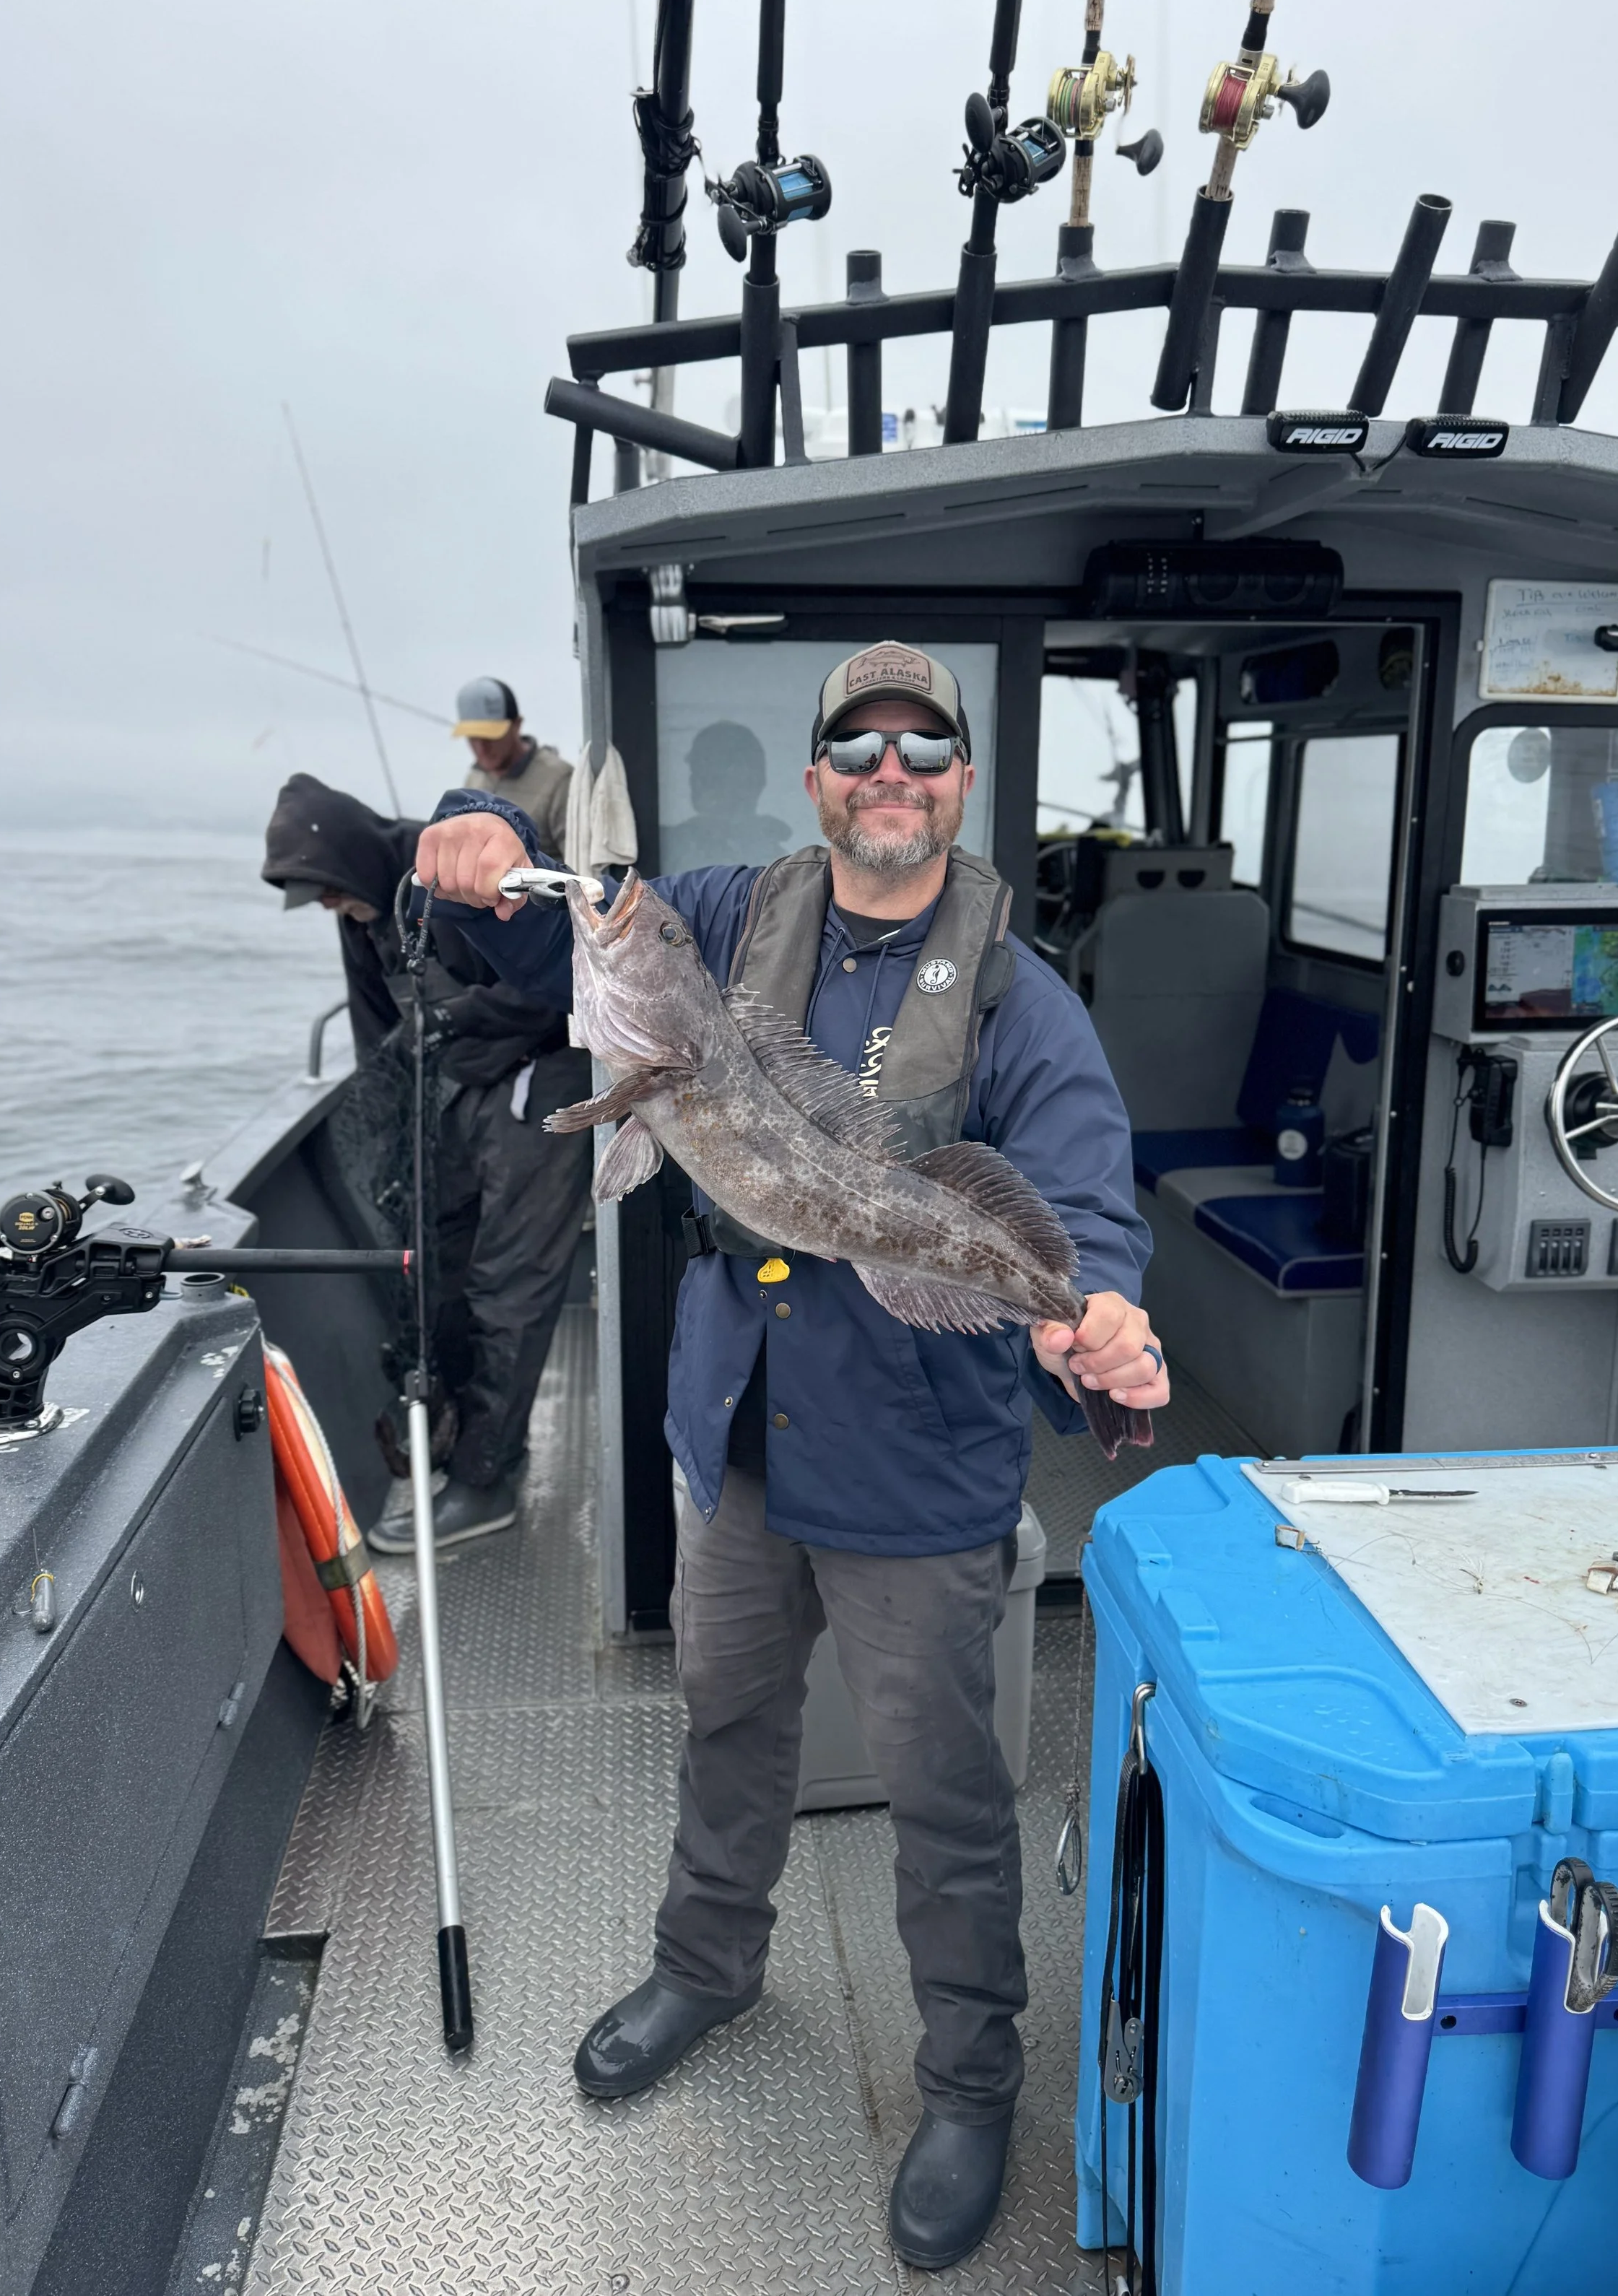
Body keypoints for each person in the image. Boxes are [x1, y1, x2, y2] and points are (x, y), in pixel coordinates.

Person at [413, 644, 1167, 2271]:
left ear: (960, 782)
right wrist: (477, 836)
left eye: (923, 748)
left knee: (947, 1794)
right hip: (737, 1437)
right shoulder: (709, 917)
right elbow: (559, 903)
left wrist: (1094, 1314)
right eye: (855, 743)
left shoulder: (1022, 1004)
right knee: (726, 1718)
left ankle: (969, 2080)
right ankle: (708, 1961)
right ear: (817, 775)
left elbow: (1085, 1206)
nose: (888, 770)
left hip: (915, 1465)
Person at [261, 772, 594, 1550]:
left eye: (327, 892)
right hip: (455, 1087)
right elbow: (379, 1027)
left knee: (509, 1281)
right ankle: (459, 1440)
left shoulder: (454, 869)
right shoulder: (359, 912)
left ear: (348, 863)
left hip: (538, 1077)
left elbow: (553, 980)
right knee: (437, 1266)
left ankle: (486, 1480)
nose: (329, 909)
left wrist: (454, 1016)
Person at [453, 677, 573, 856]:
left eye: (490, 737)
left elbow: (580, 862)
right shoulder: (474, 777)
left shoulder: (560, 780)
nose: (481, 748)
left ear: (517, 725)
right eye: (473, 738)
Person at [659, 718, 791, 869]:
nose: (695, 781)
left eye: (708, 773)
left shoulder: (775, 857)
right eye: (696, 771)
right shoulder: (670, 845)